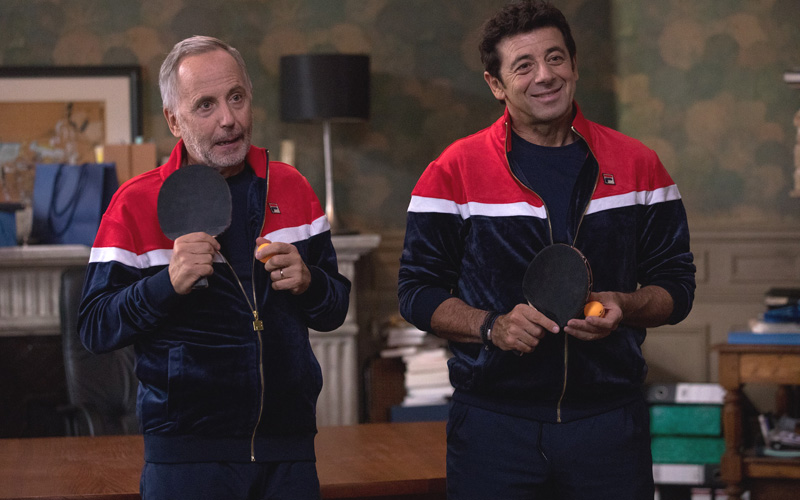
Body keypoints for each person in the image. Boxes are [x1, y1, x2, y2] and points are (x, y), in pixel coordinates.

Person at [397, 2, 696, 499]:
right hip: (493, 429)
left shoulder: (639, 165)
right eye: (524, 65)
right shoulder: (453, 171)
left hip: (609, 426)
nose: (545, 75)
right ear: (496, 84)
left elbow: (677, 287)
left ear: (574, 65)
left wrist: (625, 305)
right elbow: (415, 292)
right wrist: (491, 326)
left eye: (555, 58)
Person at [79, 36, 351, 500]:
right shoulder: (134, 203)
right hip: (186, 461)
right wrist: (166, 284)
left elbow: (334, 309)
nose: (228, 119)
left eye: (236, 97)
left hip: (289, 454)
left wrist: (310, 283)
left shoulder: (291, 186)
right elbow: (95, 326)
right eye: (205, 105)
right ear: (174, 120)